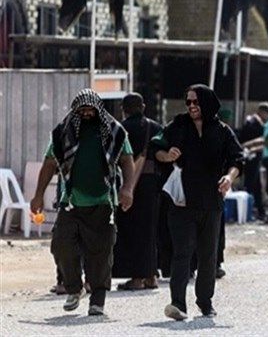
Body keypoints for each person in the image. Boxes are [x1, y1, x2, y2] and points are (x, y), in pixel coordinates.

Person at [30, 89, 136, 316]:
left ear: (99, 109)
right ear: (75, 111)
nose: (86, 113)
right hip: (71, 201)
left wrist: (127, 189)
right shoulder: (63, 132)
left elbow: (127, 160)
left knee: (101, 253)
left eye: (90, 109)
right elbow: (50, 163)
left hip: (102, 201)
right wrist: (38, 195)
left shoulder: (114, 131)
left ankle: (97, 299)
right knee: (61, 246)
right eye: (82, 110)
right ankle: (74, 288)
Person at [153, 84, 243, 321]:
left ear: (207, 103)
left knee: (208, 255)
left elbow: (237, 159)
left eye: (196, 102)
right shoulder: (177, 125)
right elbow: (156, 146)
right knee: (182, 253)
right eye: (188, 102)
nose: (191, 106)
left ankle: (205, 302)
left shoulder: (222, 131)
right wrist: (167, 155)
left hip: (211, 202)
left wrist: (229, 177)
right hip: (182, 201)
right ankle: (177, 303)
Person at [113, 93, 163, 290]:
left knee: (131, 229)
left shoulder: (120, 128)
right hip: (151, 184)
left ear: (123, 109)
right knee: (150, 229)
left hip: (128, 184)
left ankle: (136, 277)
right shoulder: (156, 128)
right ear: (143, 107)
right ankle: (150, 275)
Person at [240, 109, 265, 221]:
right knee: (254, 185)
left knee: (252, 184)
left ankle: (254, 210)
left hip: (250, 157)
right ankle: (255, 211)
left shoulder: (250, 122)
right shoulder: (257, 124)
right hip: (254, 158)